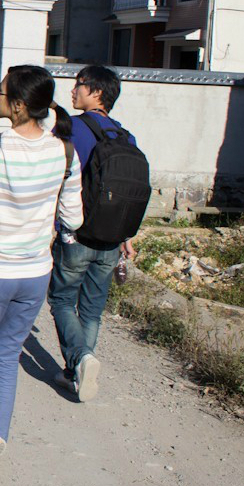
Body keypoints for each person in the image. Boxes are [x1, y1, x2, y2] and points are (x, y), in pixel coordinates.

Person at [0, 65, 82, 486]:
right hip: (35, 274)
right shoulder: (64, 152)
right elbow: (73, 218)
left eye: (2, 92)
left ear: (20, 106)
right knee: (6, 358)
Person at [49, 65, 139, 402]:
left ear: (97, 92)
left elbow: (59, 179)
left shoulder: (76, 130)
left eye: (79, 85)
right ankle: (76, 371)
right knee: (91, 308)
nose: (73, 91)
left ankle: (81, 359)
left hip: (78, 233)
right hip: (112, 238)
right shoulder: (125, 136)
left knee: (60, 300)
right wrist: (127, 235)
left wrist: (53, 227)